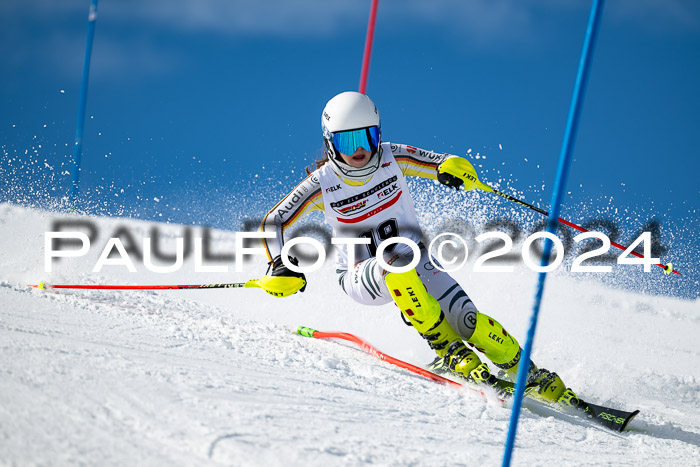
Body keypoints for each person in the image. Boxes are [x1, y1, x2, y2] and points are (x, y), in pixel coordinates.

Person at [258, 91, 578, 406]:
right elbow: (274, 221)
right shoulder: (323, 183)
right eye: (347, 142)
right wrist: (280, 265)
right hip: (361, 275)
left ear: (378, 134)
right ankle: (448, 349)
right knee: (393, 260)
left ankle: (530, 375)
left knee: (469, 321)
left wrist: (454, 168)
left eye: (367, 138)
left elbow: (440, 163)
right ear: (330, 143)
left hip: (418, 260)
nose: (360, 151)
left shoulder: (392, 157)